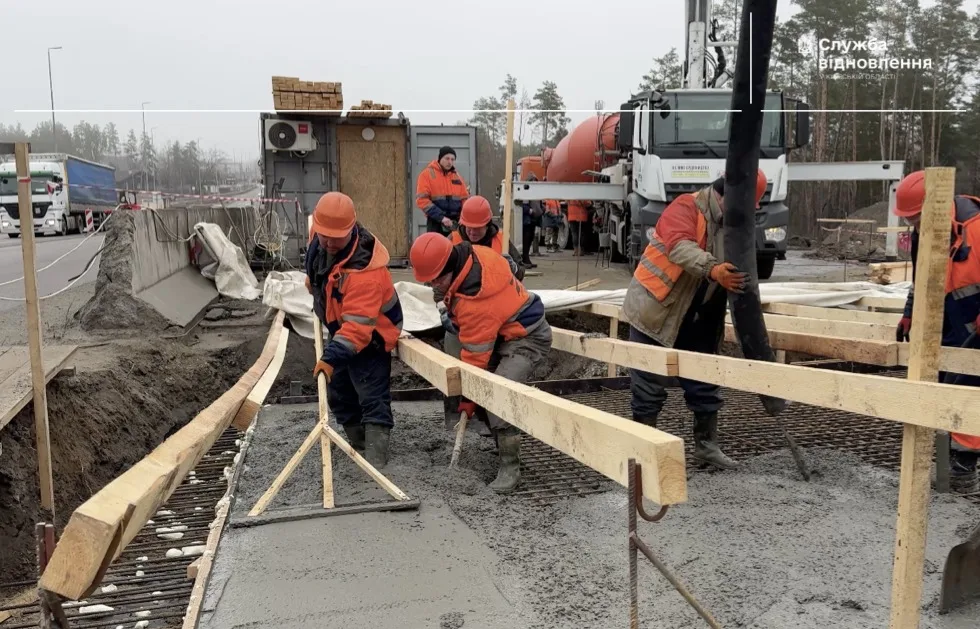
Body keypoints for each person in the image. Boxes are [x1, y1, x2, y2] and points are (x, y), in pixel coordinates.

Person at [622, 170, 768, 470]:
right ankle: (644, 457)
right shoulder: (686, 207)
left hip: (701, 315)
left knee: (704, 382)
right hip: (656, 312)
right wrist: (713, 269)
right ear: (729, 196)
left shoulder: (735, 226)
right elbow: (679, 247)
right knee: (648, 387)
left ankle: (706, 448)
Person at [409, 232, 552, 493]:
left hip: (527, 337)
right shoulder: (471, 256)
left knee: (497, 393)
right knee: (484, 393)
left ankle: (510, 467)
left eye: (437, 279)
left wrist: (468, 398)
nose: (433, 285)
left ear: (450, 267)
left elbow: (475, 361)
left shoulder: (476, 299)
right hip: (501, 331)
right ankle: (502, 443)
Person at [893, 169, 980, 494]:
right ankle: (948, 462)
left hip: (974, 318)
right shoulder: (923, 232)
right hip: (945, 320)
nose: (914, 225)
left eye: (916, 218)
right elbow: (921, 278)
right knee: (944, 385)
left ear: (936, 207)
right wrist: (909, 313)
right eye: (909, 220)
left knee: (969, 390)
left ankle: (963, 469)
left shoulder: (976, 227)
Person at [306, 192, 404, 469]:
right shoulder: (321, 237)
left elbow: (358, 330)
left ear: (351, 229)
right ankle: (358, 443)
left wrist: (330, 358)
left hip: (373, 334)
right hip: (341, 327)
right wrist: (314, 284)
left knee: (371, 392)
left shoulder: (365, 273)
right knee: (338, 391)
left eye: (335, 238)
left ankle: (376, 459)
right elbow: (317, 261)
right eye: (324, 235)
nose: (328, 242)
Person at [449, 195, 525, 280]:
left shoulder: (501, 242)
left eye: (477, 228)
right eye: (469, 227)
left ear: (487, 225)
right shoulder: (452, 240)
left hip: (494, 288)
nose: (472, 232)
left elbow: (520, 273)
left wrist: (514, 269)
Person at [416, 146, 469, 235]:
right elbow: (422, 200)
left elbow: (465, 199)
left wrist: (463, 217)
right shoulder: (427, 175)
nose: (450, 162)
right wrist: (441, 218)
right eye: (447, 158)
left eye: (452, 159)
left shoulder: (457, 177)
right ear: (440, 158)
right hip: (436, 222)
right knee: (435, 244)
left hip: (455, 223)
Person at [520, 174, 543, 268]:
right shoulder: (525, 192)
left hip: (533, 219)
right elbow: (522, 206)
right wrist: (530, 211)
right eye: (533, 181)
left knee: (530, 239)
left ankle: (526, 258)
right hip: (527, 220)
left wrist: (542, 209)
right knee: (526, 239)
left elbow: (539, 204)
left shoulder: (536, 193)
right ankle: (525, 259)